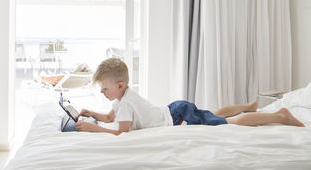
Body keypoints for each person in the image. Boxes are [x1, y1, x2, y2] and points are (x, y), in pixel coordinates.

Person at [76, 58, 305, 135]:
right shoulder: (122, 97)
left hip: (176, 118)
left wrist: (92, 128)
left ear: (119, 85)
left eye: (105, 89)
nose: (102, 92)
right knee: (209, 114)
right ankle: (249, 106)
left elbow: (119, 131)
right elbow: (108, 117)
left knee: (225, 123)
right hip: (175, 109)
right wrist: (91, 114)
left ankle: (280, 116)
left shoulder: (123, 104)